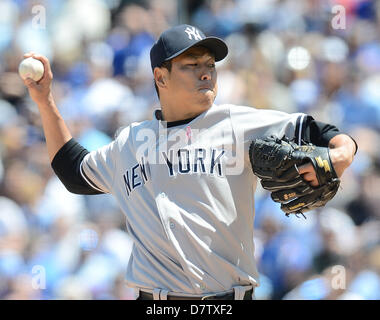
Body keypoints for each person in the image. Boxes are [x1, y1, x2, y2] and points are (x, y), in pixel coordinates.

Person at [23, 24, 357, 300]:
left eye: (209, 65)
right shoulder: (129, 142)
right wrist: (45, 100)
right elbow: (71, 170)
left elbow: (322, 132)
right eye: (191, 65)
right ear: (161, 77)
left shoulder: (237, 124)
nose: (205, 74)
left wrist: (341, 155)